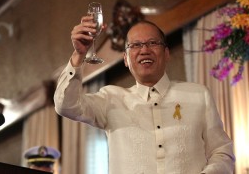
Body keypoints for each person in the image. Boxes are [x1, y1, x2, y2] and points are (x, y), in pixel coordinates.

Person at [54, 15, 235, 174]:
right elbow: (65, 105)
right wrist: (79, 55)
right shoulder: (110, 99)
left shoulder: (197, 95)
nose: (144, 50)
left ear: (166, 53)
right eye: (135, 45)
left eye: (153, 43)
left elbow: (222, 151)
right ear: (125, 59)